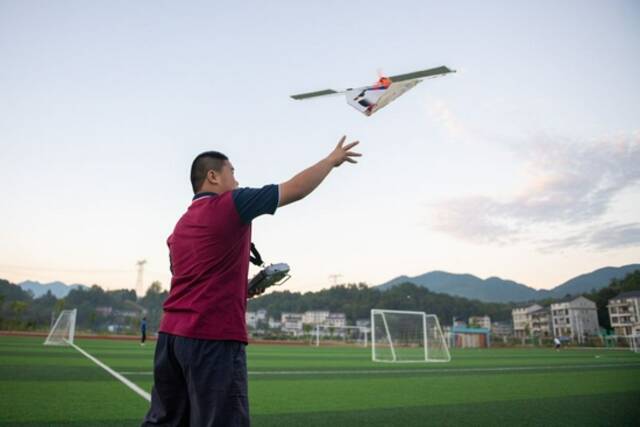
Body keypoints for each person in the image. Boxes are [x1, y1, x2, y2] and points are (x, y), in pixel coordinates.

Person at [142, 136, 361, 427]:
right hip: (212, 338)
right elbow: (295, 189)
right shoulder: (232, 203)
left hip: (170, 340)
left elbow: (196, 282)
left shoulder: (179, 227)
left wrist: (242, 290)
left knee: (165, 422)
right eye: (232, 172)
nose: (236, 179)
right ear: (213, 176)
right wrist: (330, 161)